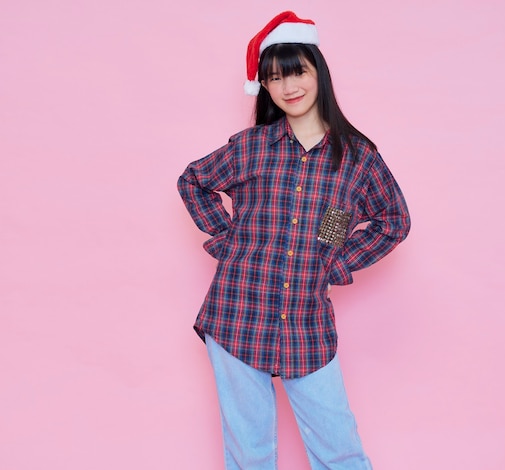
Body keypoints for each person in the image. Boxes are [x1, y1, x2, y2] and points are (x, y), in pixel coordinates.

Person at [177, 11, 410, 470]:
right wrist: (229, 239)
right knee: (249, 449)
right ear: (264, 87)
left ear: (317, 71)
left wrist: (334, 263)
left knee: (339, 447)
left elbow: (391, 220)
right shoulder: (252, 147)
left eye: (297, 71)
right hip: (236, 312)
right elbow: (193, 180)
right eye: (274, 78)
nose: (289, 87)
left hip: (307, 322)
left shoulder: (357, 159)